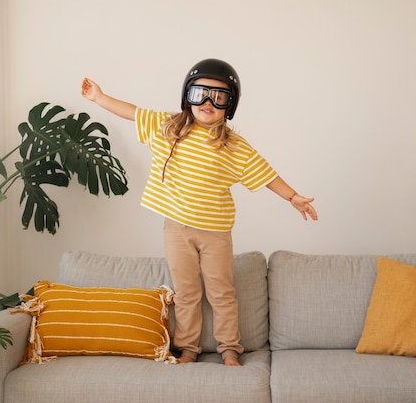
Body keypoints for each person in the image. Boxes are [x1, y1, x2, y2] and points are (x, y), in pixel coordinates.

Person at [81, 58, 317, 367]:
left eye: (219, 97)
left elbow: (265, 172)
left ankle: (230, 348)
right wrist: (100, 98)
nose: (208, 102)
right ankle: (188, 348)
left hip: (216, 232)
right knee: (187, 292)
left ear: (229, 107)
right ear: (187, 97)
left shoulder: (233, 145)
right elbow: (133, 112)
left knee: (221, 293)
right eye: (200, 94)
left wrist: (292, 197)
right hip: (176, 230)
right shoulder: (168, 126)